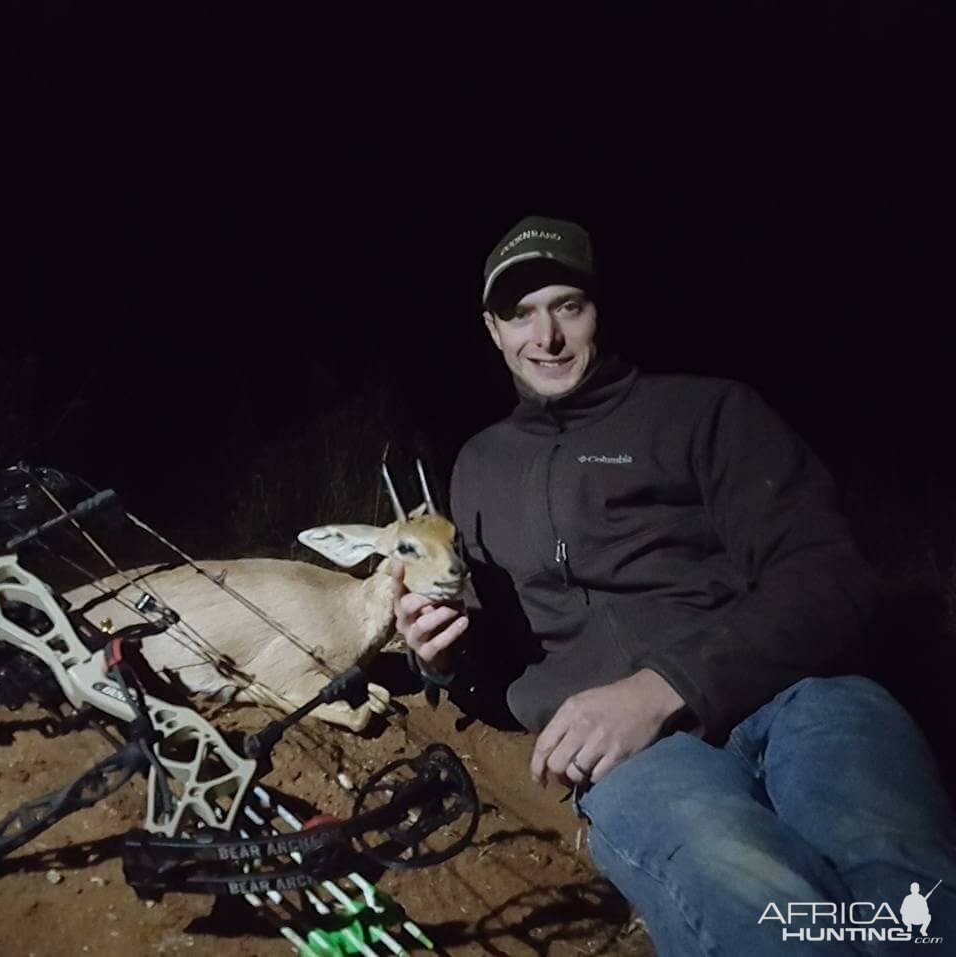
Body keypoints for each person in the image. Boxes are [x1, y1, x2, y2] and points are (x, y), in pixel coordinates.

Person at [394, 215, 956, 955]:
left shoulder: (708, 412)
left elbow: (832, 576)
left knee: (906, 894)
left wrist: (661, 687)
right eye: (521, 314)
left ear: (600, 309)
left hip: (802, 696)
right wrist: (437, 659)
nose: (547, 337)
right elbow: (490, 660)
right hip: (640, 761)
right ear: (493, 329)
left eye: (568, 306)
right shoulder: (477, 467)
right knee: (760, 902)